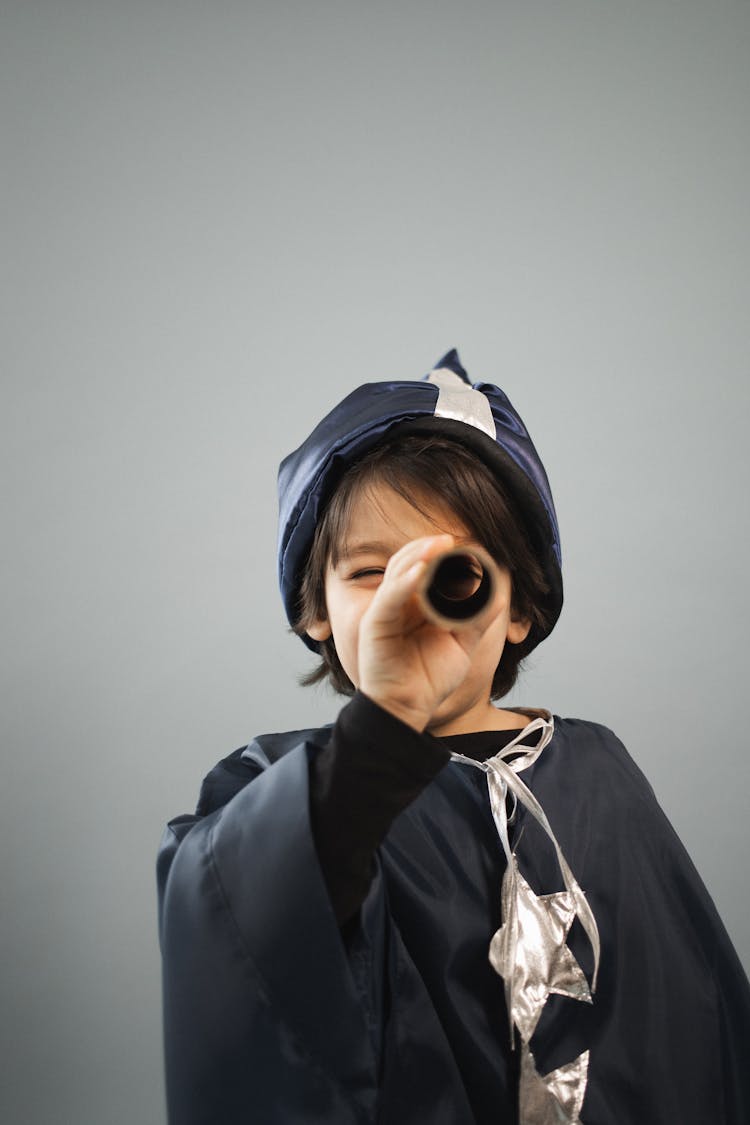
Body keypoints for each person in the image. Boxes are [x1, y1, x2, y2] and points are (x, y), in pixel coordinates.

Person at [157, 350, 750, 1125]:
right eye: (371, 572)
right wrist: (382, 732)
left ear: (518, 610)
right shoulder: (294, 793)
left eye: (455, 574)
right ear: (316, 610)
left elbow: (694, 1023)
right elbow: (245, 936)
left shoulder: (599, 773)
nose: (412, 605)